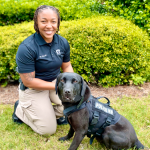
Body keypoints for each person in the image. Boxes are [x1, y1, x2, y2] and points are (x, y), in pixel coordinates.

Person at [12, 5, 74, 135]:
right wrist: (57, 86)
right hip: (34, 89)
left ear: (58, 23)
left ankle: (45, 112)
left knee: (76, 106)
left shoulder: (62, 42)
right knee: (47, 130)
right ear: (36, 23)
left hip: (54, 84)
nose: (49, 26)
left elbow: (66, 66)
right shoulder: (27, 47)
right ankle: (21, 110)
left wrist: (71, 83)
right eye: (44, 21)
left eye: (53, 21)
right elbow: (29, 81)